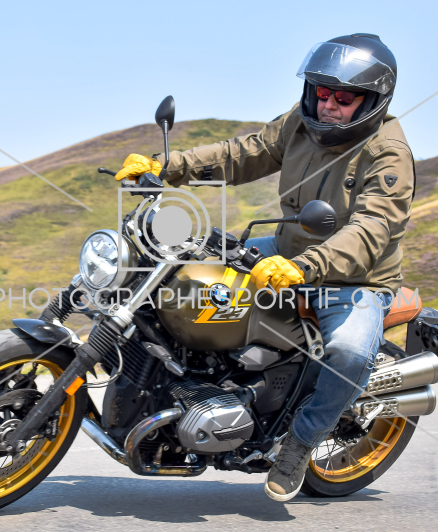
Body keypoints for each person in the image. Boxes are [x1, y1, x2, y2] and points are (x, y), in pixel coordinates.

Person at [112, 34, 414, 502]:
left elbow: (371, 230)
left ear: (373, 101)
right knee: (188, 275)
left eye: (344, 98)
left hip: (353, 277)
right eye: (322, 92)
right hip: (286, 249)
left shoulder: (388, 155)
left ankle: (300, 444)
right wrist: (168, 166)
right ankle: (184, 380)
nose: (329, 104)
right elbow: (244, 153)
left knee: (350, 353)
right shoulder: (302, 122)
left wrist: (306, 266)